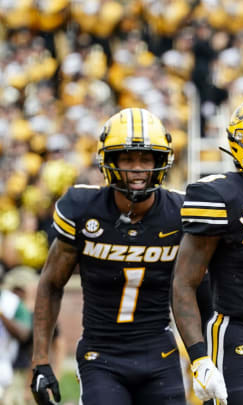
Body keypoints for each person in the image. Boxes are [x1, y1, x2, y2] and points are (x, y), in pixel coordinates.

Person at [31, 108, 186, 405]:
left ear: (160, 161)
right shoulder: (83, 209)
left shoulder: (179, 213)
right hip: (101, 354)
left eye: (145, 158)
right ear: (110, 162)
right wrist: (41, 359)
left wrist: (204, 358)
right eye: (128, 158)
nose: (138, 168)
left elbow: (196, 290)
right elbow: (51, 284)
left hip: (159, 353)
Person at [172, 95, 243, 405]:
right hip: (240, 332)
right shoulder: (218, 195)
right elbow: (185, 282)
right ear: (242, 144)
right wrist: (199, 358)